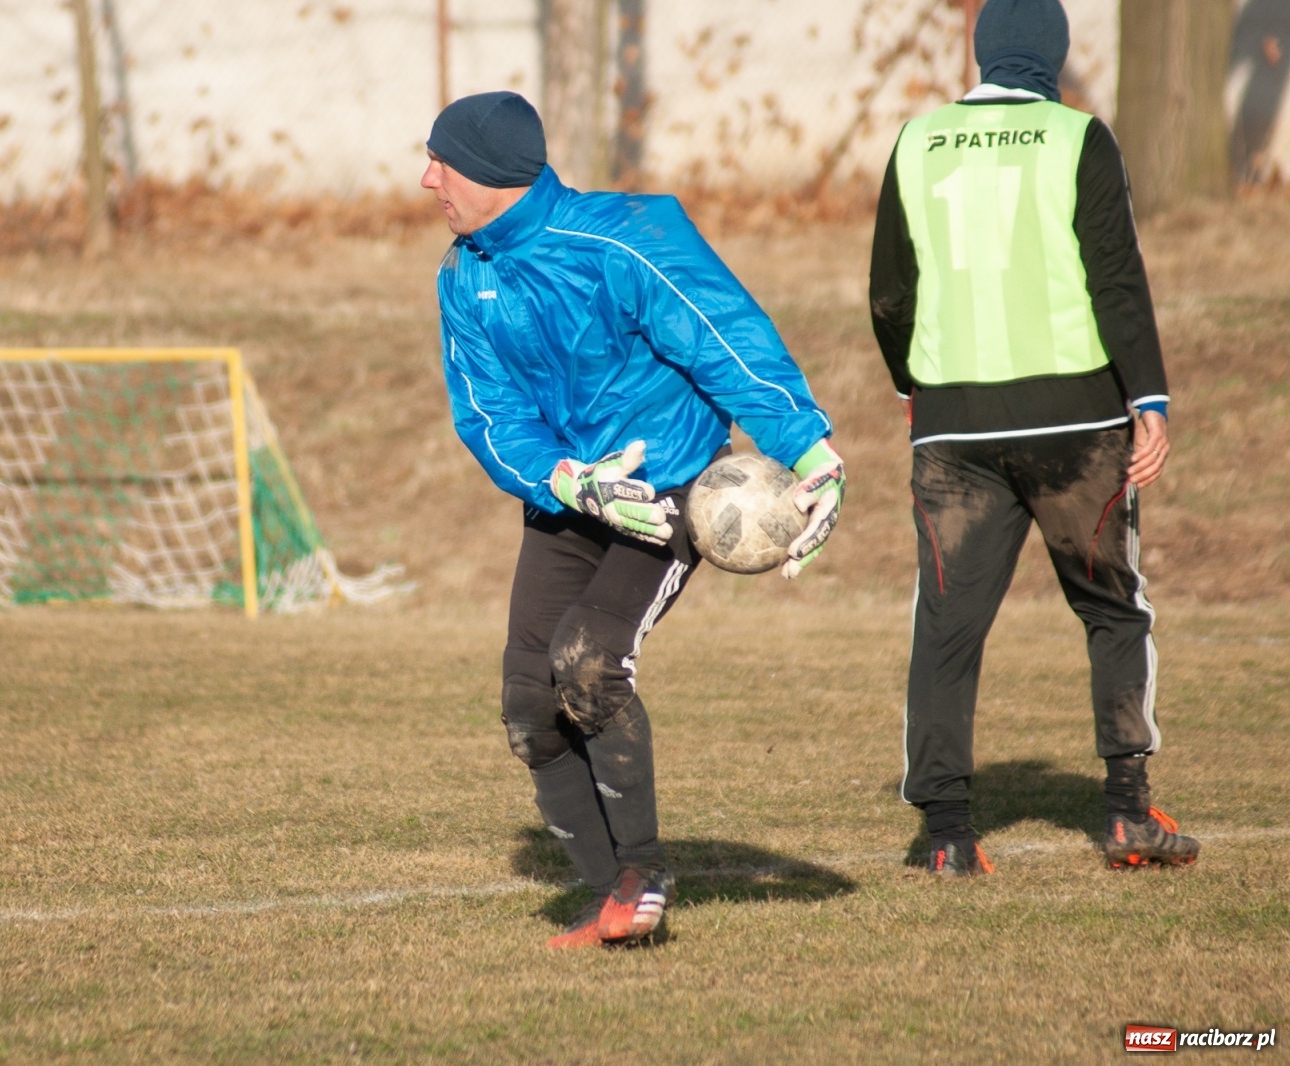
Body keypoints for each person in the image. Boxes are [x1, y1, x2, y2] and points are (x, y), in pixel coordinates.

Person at [423, 91, 843, 948]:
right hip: (571, 500)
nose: (427, 179)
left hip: (666, 496)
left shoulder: (628, 238)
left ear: (496, 175)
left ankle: (643, 876)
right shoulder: (463, 275)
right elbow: (489, 414)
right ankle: (615, 899)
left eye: (442, 162)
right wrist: (563, 481)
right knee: (527, 710)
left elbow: (724, 337)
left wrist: (810, 449)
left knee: (588, 662)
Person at [868, 0, 1199, 875]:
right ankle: (1127, 812)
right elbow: (1115, 276)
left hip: (954, 431)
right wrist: (1150, 398)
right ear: (1054, 56)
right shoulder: (1077, 137)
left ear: (980, 54)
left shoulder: (916, 141)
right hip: (1076, 427)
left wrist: (913, 384)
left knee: (945, 630)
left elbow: (889, 293)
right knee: (1112, 610)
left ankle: (945, 837)